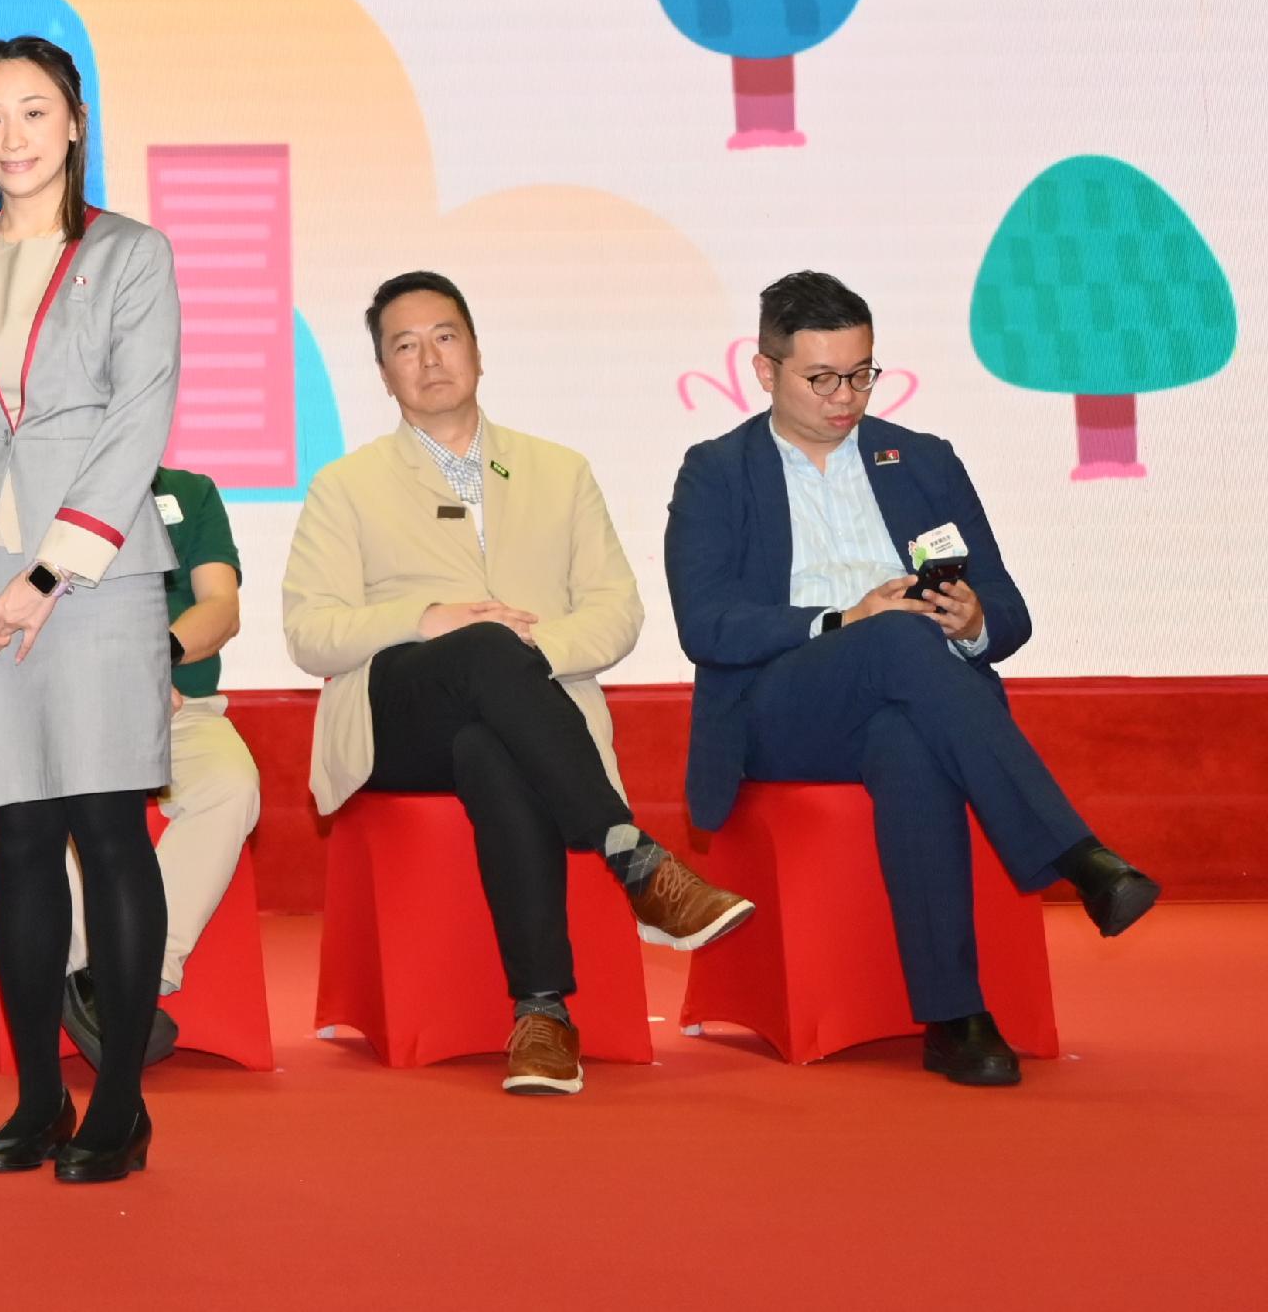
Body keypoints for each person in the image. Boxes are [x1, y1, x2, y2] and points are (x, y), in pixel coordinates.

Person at [668, 270, 1163, 1087]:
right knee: (895, 636)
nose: (846, 396)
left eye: (862, 373)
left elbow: (1008, 609)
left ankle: (954, 1016)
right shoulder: (718, 470)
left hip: (907, 696)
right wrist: (842, 619)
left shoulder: (922, 462)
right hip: (781, 706)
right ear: (766, 372)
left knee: (908, 735)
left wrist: (971, 624)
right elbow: (708, 622)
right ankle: (1076, 853)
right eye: (821, 378)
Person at [285, 270, 751, 1100]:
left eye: (445, 337)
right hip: (398, 717)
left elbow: (616, 612)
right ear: (385, 374)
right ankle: (637, 861)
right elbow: (310, 632)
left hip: (519, 713)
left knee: (489, 743)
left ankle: (543, 1012)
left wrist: (525, 647)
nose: (429, 359)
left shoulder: (559, 471)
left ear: (477, 351)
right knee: (474, 659)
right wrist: (426, 618)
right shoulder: (345, 487)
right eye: (404, 346)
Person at [0, 36, 175, 1185]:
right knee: (13, 841)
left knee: (106, 831)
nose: (12, 137)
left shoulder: (129, 254)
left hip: (95, 578)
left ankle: (117, 1100)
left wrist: (48, 573)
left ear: (74, 124)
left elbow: (136, 420)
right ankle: (36, 1096)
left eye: (34, 113)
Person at [57, 464, 260, 1066]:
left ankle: (133, 972)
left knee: (231, 784)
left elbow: (221, 607)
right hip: (70, 698)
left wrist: (154, 661)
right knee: (54, 800)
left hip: (178, 703)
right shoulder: (37, 484)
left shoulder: (189, 492)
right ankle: (93, 973)